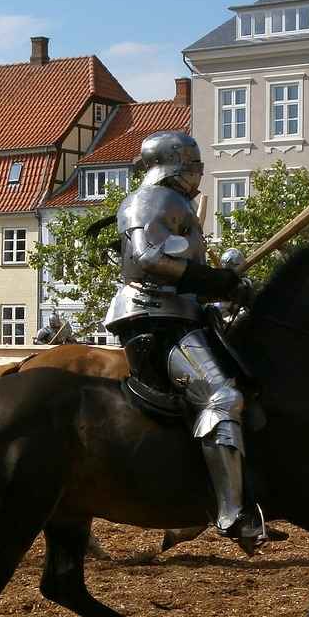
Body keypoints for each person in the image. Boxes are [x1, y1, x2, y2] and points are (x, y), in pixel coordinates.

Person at [104, 131, 264, 552]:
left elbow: (183, 279)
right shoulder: (153, 200)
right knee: (222, 399)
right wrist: (215, 279)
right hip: (155, 319)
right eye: (193, 165)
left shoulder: (175, 204)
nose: (198, 173)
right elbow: (148, 259)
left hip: (175, 312)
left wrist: (229, 287)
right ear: (173, 165)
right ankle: (232, 514)